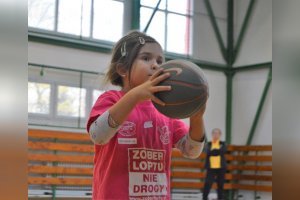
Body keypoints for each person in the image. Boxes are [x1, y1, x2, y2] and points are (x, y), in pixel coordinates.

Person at [86, 30, 207, 200]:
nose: (156, 65)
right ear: (122, 68)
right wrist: (135, 95)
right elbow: (97, 135)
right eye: (146, 58)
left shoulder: (166, 110)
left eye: (160, 60)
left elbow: (192, 151)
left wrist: (197, 118)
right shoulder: (111, 99)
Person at [202, 128, 227, 200]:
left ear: (220, 135)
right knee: (208, 184)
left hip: (221, 168)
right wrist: (217, 151)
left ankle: (220, 198)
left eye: (217, 133)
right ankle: (204, 198)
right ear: (212, 134)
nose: (216, 135)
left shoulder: (223, 144)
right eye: (214, 133)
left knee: (220, 185)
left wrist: (213, 152)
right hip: (211, 168)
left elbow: (223, 151)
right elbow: (208, 152)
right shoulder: (208, 144)